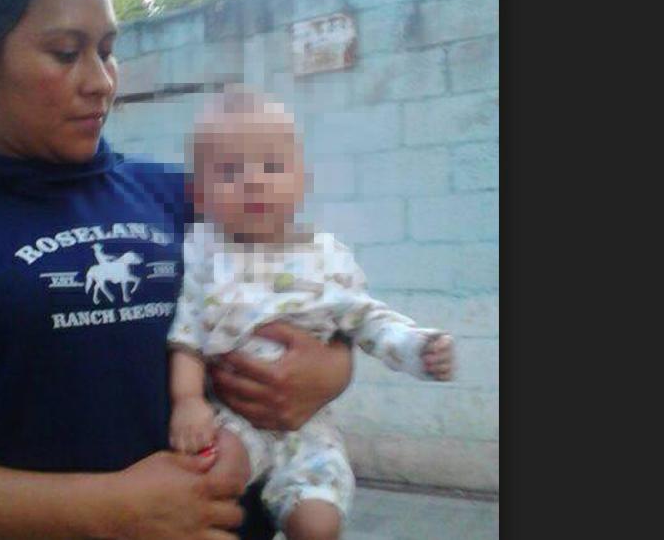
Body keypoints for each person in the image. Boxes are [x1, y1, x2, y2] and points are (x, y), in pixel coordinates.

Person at [0, 0, 362, 539]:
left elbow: (301, 298)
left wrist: (333, 369)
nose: (101, 81)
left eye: (107, 50)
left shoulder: (177, 196)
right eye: (66, 53)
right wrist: (110, 512)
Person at [166, 89, 456, 540]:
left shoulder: (325, 258)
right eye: (229, 171)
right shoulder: (205, 255)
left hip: (307, 427)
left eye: (272, 167)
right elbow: (187, 339)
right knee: (211, 479)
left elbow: (366, 319)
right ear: (198, 195)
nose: (254, 182)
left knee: (318, 525)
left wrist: (418, 347)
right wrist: (188, 401)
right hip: (232, 419)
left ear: (302, 180)